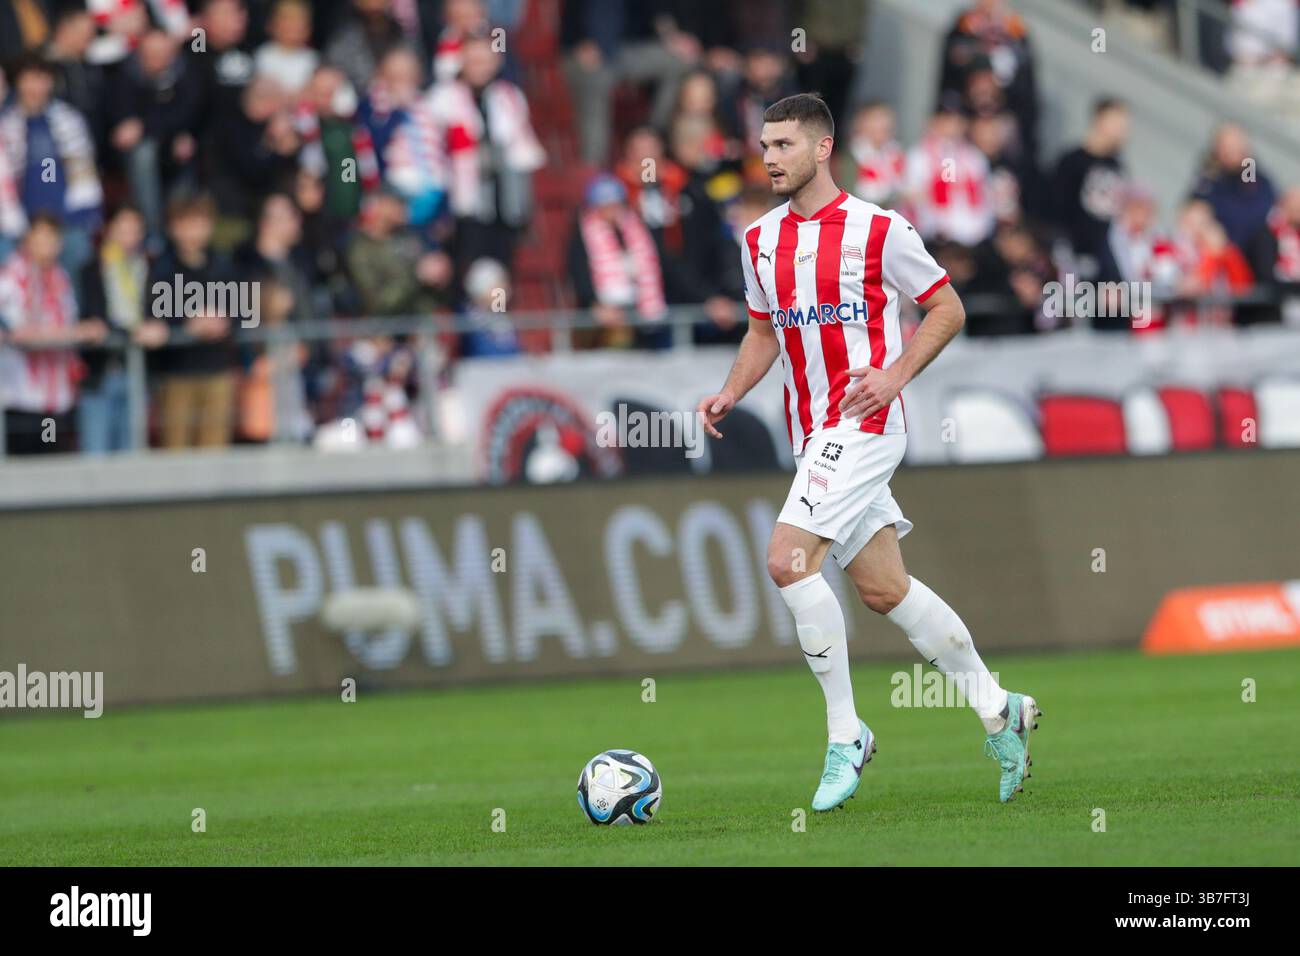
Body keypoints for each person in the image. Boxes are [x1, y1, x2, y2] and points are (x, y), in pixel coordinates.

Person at [695, 93, 1039, 810]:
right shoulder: (759, 239)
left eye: (784, 145)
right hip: (812, 436)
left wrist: (893, 377)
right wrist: (731, 391)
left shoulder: (880, 229)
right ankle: (997, 706)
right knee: (884, 590)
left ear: (822, 149)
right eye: (765, 145)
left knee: (787, 559)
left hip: (867, 425)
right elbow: (763, 334)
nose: (770, 158)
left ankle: (846, 734)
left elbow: (947, 306)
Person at [0, 214, 101, 455]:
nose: (46, 246)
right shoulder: (11, 276)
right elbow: (19, 335)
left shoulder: (60, 277)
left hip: (59, 400)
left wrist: (75, 333)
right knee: (26, 478)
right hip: (22, 400)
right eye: (40, 238)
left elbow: (64, 320)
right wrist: (79, 333)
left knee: (57, 473)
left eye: (52, 239)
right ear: (27, 240)